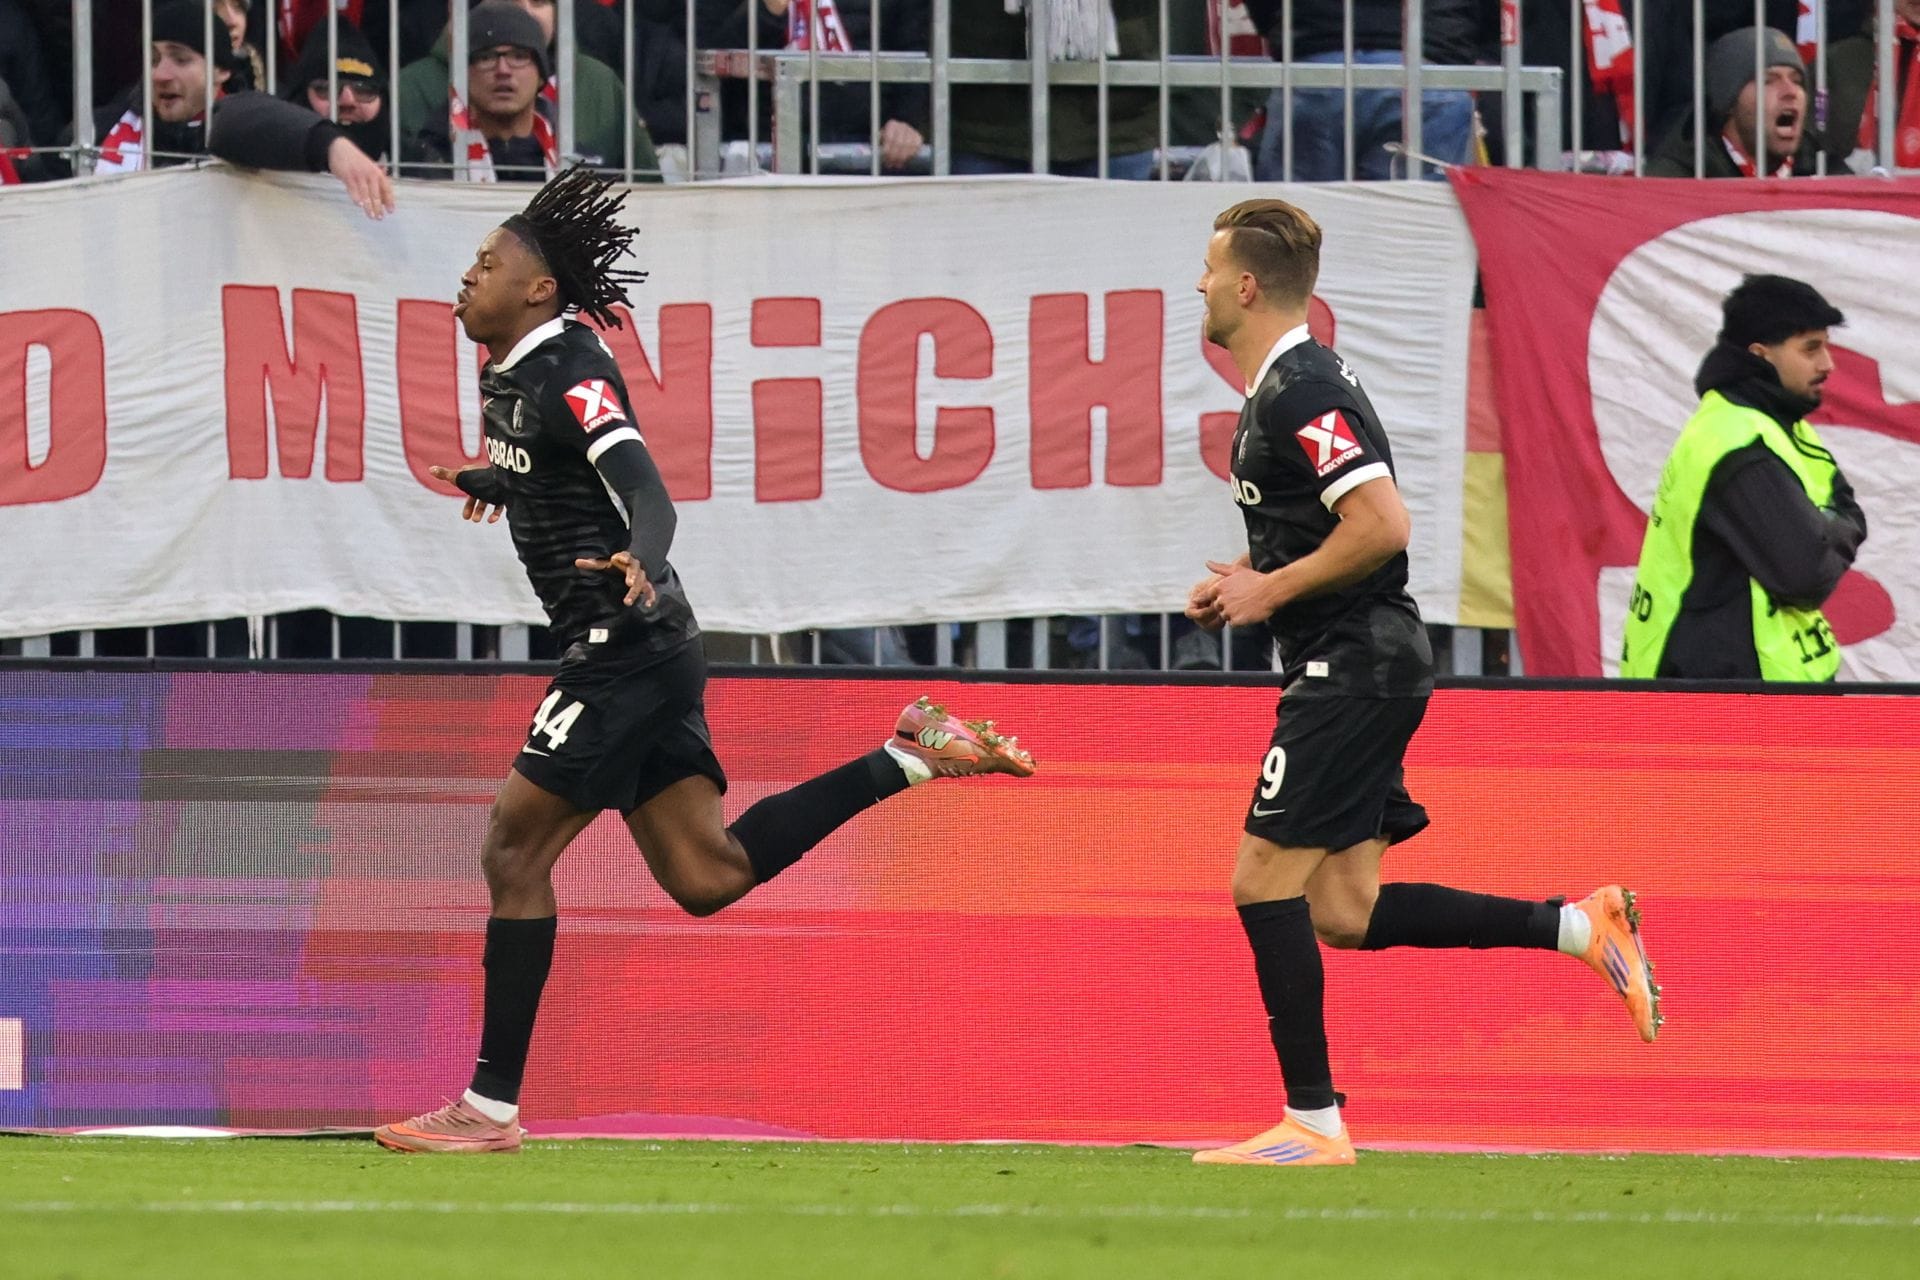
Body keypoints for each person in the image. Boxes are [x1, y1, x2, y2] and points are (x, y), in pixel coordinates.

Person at [372, 166, 1036, 1154]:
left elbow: (645, 485)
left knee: (514, 846)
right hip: (650, 650)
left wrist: (645, 551)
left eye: (486, 262)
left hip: (622, 647)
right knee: (706, 871)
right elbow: (547, 467)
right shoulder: (510, 367)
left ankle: (489, 1107)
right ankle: (908, 753)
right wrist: (495, 479)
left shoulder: (572, 368)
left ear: (539, 288)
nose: (466, 278)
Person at [1184, 199, 1659, 1167]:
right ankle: (1580, 924)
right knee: (1343, 910)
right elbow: (1334, 523)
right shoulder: (1287, 385)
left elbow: (1384, 522)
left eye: (1206, 269)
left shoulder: (1298, 387)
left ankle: (1312, 1121)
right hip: (1364, 656)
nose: (1196, 284)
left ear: (1243, 286)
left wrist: (1271, 587)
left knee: (1259, 878)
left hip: (1352, 662)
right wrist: (1253, 571)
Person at [1621, 276, 1865, 682]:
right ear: (1761, 354)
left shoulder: (1769, 425)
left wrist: (1826, 532)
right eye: (1810, 348)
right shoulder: (1740, 443)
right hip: (1728, 695)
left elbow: (1849, 508)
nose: (1827, 364)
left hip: (1743, 680)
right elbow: (1807, 576)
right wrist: (1830, 528)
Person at [399, 0, 660, 181]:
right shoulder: (427, 154)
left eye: (519, 56)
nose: (503, 69)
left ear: (542, 78)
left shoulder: (580, 159)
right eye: (487, 57)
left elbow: (647, 198)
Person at [1242, 0, 1487, 181]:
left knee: (1293, 227)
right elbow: (1495, 17)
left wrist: (1286, 28)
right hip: (1427, 71)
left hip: (1317, 65)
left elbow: (1263, 9)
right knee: (1414, 228)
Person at [208, 20, 397, 218]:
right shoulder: (269, 155)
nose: (347, 100)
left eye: (364, 90)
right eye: (326, 89)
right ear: (299, 96)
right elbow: (228, 119)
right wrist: (329, 145)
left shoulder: (415, 161)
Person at [1646, 26, 1820, 178]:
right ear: (1728, 102)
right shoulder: (1675, 181)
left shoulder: (1825, 174)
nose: (1791, 92)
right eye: (1768, 81)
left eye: (1797, 81)